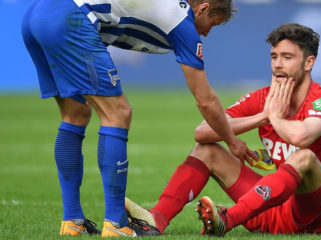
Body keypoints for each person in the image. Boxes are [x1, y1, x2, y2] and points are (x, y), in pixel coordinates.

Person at [21, 0, 255, 237]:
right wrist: (233, 142)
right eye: (211, 24)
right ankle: (115, 222)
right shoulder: (182, 21)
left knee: (75, 114)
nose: (206, 32)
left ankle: (72, 221)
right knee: (118, 113)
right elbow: (206, 100)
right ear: (203, 8)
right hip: (69, 18)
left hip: (37, 15)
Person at [125, 23, 321, 236]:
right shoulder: (263, 100)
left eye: (287, 57)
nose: (278, 64)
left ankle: (228, 219)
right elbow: (203, 131)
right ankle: (156, 219)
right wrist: (261, 117)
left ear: (309, 63)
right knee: (206, 150)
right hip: (279, 213)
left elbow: (301, 136)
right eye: (274, 56)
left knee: (304, 158)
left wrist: (274, 117)